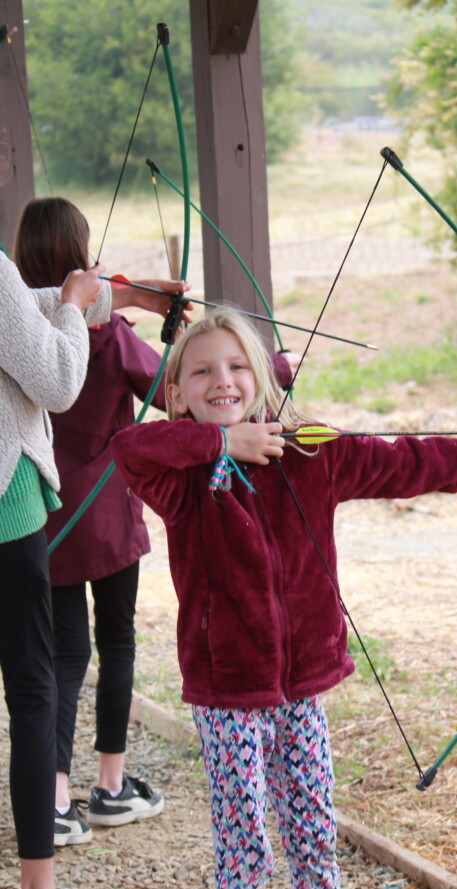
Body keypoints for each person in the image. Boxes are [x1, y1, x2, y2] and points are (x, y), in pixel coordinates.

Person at [110, 308, 457, 889]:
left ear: (265, 380)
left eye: (238, 367)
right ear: (176, 395)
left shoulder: (311, 452)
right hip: (227, 693)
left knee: (313, 832)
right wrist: (218, 441)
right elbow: (129, 446)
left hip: (303, 689)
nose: (221, 380)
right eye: (200, 372)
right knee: (245, 848)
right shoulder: (182, 479)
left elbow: (418, 461)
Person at [12, 197, 295, 848]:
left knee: (61, 655)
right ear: (81, 256)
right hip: (106, 518)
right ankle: (110, 787)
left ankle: (56, 798)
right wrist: (272, 367)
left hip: (48, 512)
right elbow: (175, 390)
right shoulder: (102, 335)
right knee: (115, 644)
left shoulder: (22, 326)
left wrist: (142, 306)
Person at [0, 244, 188, 889]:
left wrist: (124, 297)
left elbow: (16, 313)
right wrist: (80, 309)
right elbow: (53, 377)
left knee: (59, 669)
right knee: (37, 690)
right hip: (9, 507)